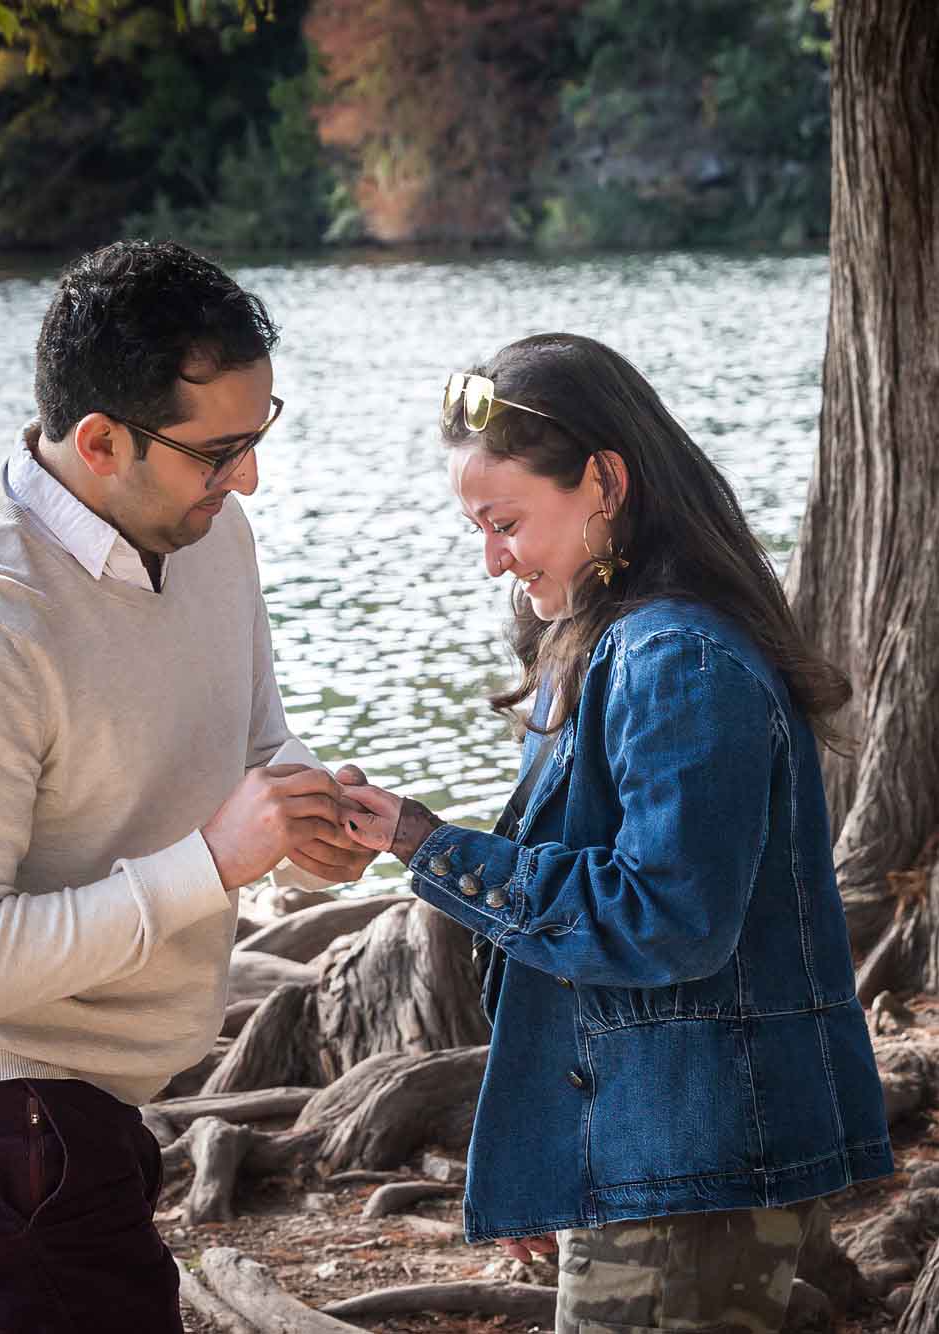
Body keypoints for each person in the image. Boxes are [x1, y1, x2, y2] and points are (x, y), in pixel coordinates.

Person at [0, 239, 374, 1334]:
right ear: (97, 441)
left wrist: (303, 821)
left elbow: (254, 748)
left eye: (258, 435)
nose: (249, 479)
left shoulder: (210, 534)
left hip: (75, 1109)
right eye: (218, 450)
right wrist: (214, 860)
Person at [339, 333, 894, 1334]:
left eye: (503, 521)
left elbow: (664, 920)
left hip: (692, 1164)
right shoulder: (613, 643)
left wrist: (430, 844)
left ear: (601, 479)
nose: (490, 559)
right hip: (650, 1144)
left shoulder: (674, 659)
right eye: (478, 527)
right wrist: (551, 1145)